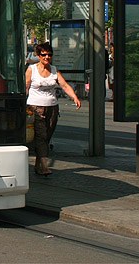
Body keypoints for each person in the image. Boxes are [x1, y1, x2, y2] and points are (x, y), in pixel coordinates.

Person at [25, 41, 81, 176]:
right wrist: (23, 105)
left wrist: (74, 97)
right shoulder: (31, 70)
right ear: (38, 56)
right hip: (35, 107)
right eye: (44, 55)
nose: (47, 57)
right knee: (41, 136)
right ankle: (44, 166)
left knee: (47, 137)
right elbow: (25, 88)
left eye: (49, 55)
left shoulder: (54, 70)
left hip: (52, 108)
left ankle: (38, 165)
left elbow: (64, 85)